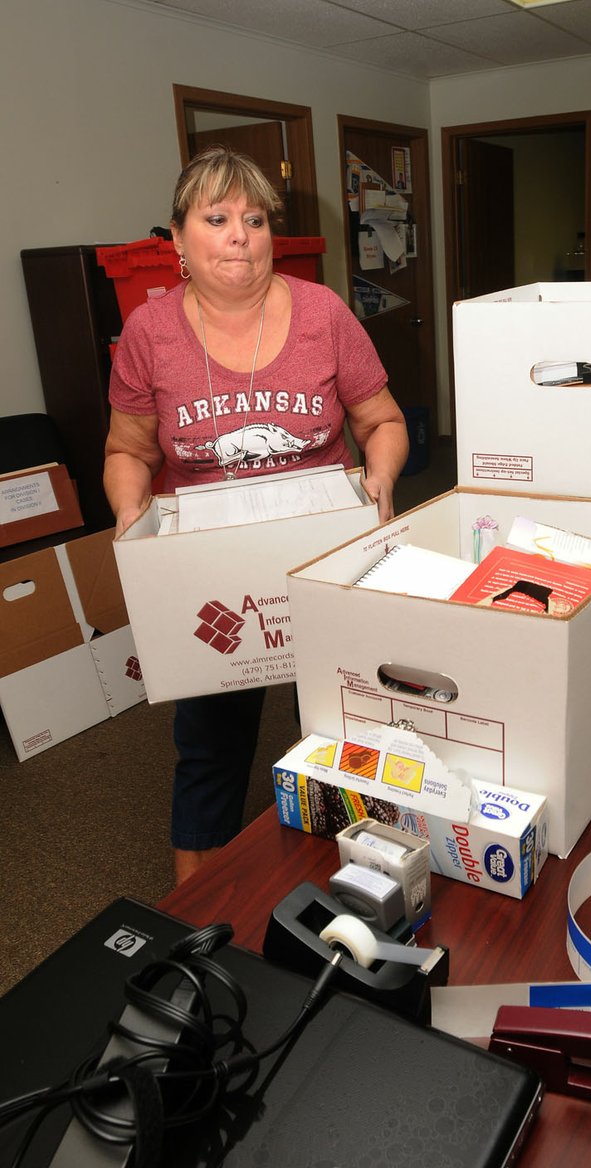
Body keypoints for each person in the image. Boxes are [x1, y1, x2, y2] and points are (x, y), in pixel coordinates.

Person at [104, 146, 409, 884]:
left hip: (321, 557)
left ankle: (356, 892)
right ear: (176, 239)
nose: (240, 234)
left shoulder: (323, 314)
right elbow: (127, 448)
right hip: (209, 569)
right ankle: (197, 911)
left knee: (343, 734)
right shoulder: (150, 336)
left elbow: (384, 420)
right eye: (217, 218)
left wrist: (381, 480)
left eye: (255, 218)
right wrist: (127, 516)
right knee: (210, 748)